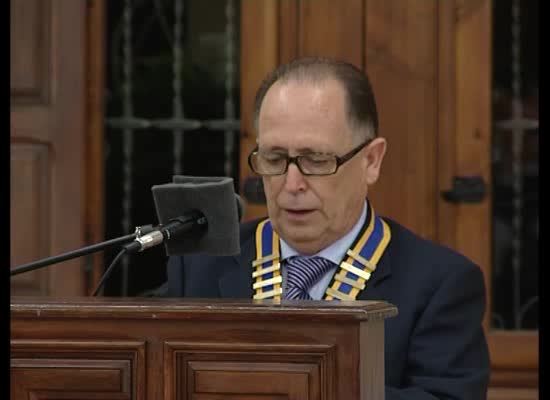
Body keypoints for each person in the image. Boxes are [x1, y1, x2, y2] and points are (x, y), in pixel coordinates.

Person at [165, 56, 490, 399]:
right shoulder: (200, 265)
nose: (292, 183)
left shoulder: (439, 284)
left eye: (316, 160)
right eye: (274, 159)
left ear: (371, 161)